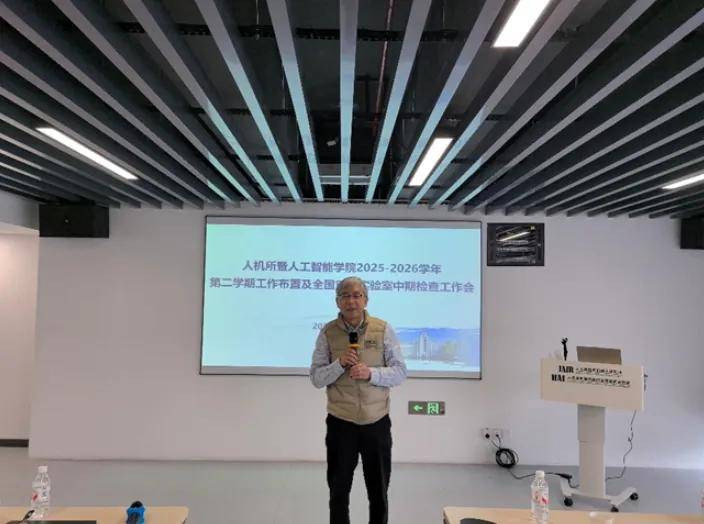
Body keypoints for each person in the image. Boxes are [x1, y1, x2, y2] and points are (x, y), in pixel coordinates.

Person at [310, 276, 407, 524]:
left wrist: (371, 373)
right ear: (337, 301)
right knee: (338, 492)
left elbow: (400, 372)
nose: (351, 301)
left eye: (357, 295)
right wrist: (339, 364)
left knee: (378, 492)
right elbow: (317, 378)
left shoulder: (383, 329)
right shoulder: (328, 332)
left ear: (366, 300)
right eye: (345, 296)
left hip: (376, 423)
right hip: (341, 423)